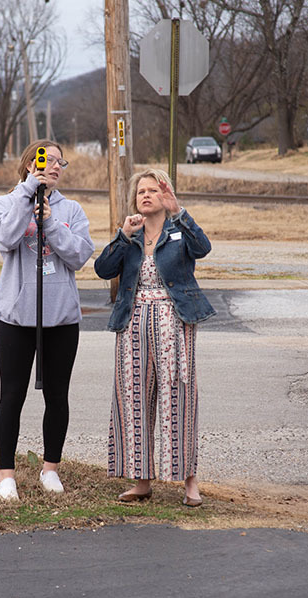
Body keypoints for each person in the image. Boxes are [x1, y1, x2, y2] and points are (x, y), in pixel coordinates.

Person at [94, 169, 215, 506]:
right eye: (140, 191)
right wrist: (122, 235)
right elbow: (103, 270)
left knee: (178, 398)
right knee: (133, 399)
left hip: (173, 320)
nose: (145, 196)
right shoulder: (131, 236)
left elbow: (203, 248)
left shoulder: (179, 229)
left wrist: (179, 211)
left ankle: (189, 482)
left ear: (165, 196)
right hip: (132, 320)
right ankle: (142, 480)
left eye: (152, 190)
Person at [0, 140, 95, 500]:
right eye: (46, 160)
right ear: (30, 163)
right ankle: (6, 476)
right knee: (11, 395)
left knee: (57, 396)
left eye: (60, 162)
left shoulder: (73, 209)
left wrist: (51, 221)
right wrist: (28, 193)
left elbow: (79, 255)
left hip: (61, 319)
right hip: (17, 320)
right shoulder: (6, 203)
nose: (55, 167)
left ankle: (51, 469)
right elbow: (6, 237)